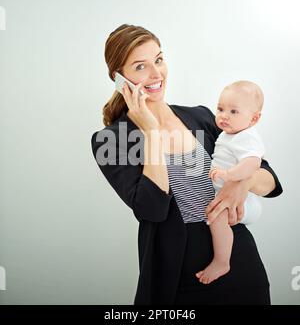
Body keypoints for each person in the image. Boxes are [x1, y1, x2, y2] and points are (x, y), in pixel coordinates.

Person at [91, 24, 283, 305]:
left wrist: (241, 183)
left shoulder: (203, 117)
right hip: (179, 279)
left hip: (240, 264)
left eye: (158, 59)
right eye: (141, 67)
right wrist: (153, 132)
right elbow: (152, 209)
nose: (156, 74)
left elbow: (271, 180)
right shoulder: (112, 140)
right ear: (119, 78)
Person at [197, 80, 266, 285]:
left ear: (253, 119)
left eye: (234, 111)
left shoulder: (246, 137)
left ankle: (221, 261)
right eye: (220, 109)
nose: (224, 115)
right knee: (216, 213)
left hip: (243, 202)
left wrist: (229, 175)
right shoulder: (230, 134)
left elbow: (253, 163)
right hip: (230, 195)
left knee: (217, 216)